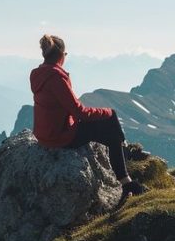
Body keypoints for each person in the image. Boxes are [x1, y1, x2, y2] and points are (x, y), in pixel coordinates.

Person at [30, 34, 147, 199]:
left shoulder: (38, 74)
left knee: (110, 132)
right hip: (60, 137)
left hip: (44, 135)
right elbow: (80, 113)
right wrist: (107, 112)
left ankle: (124, 163)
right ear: (61, 55)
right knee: (112, 125)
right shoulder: (56, 78)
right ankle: (127, 181)